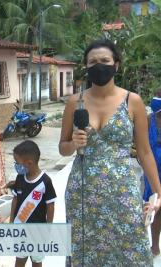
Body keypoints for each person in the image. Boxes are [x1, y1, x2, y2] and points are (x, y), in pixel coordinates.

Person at [59, 39, 161, 266]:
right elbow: (63, 148)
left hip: (122, 189)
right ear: (86, 67)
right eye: (92, 62)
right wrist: (74, 144)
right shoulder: (75, 102)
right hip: (82, 190)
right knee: (84, 250)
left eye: (104, 60)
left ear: (116, 65)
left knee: (130, 247)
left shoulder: (132, 101)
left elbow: (144, 152)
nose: (99, 65)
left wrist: (159, 193)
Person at [9, 140, 56, 267]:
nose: (15, 165)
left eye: (17, 163)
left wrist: (48, 227)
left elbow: (50, 206)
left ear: (29, 163)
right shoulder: (19, 178)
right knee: (19, 260)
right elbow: (15, 199)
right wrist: (12, 220)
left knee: (36, 261)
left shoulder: (45, 181)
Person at [143, 90, 161, 256]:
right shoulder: (149, 120)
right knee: (153, 207)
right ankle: (154, 245)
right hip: (153, 170)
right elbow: (142, 146)